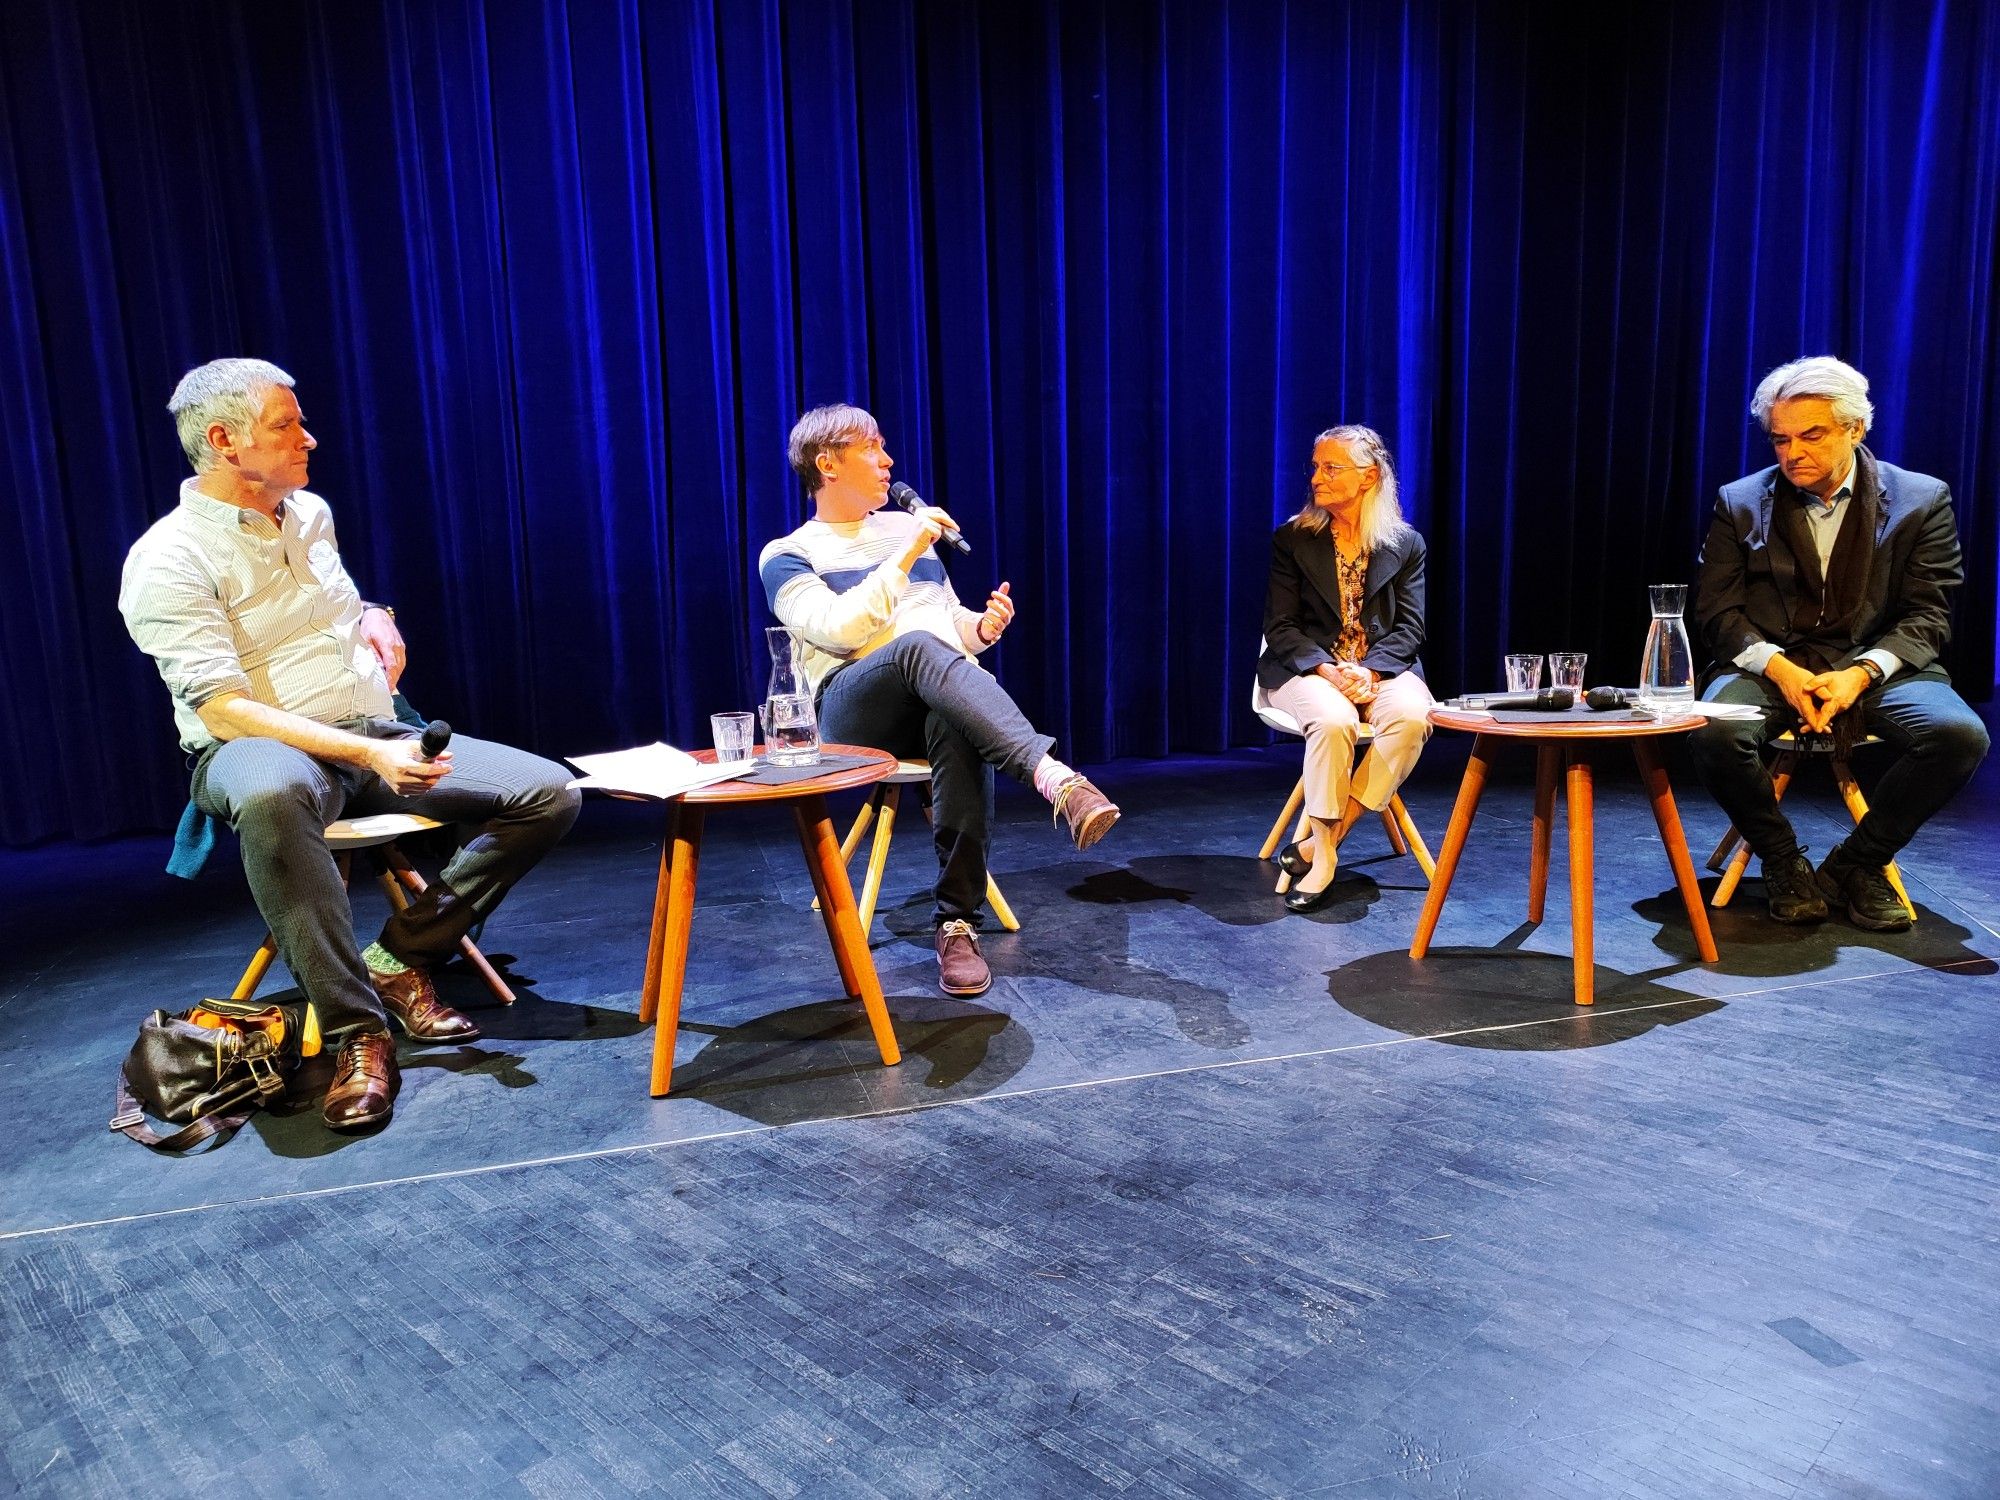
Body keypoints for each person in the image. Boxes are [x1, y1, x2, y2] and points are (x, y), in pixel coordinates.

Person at [119, 358, 580, 1130]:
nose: (309, 437)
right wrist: (367, 756)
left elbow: (315, 608)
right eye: (286, 425)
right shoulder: (166, 559)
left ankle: (398, 957)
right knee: (270, 793)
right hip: (263, 748)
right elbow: (225, 708)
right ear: (226, 440)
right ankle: (357, 1035)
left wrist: (373, 611)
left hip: (370, 726)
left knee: (550, 793)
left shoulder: (308, 513)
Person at [758, 404, 1118, 998]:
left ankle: (956, 924)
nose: (888, 460)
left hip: (929, 690)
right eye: (872, 447)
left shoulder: (908, 534)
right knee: (918, 648)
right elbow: (841, 630)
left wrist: (982, 628)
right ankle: (1054, 777)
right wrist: (907, 552)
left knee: (953, 719)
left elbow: (946, 622)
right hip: (852, 711)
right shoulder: (787, 554)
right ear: (828, 463)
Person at [1690, 356, 1988, 931]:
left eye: (1811, 435)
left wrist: (1862, 672)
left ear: (1856, 429)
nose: (1792, 452)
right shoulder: (1742, 501)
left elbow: (1929, 613)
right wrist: (1780, 669)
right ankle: (1782, 860)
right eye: (1780, 439)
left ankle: (1856, 863)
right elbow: (1718, 611)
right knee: (1716, 729)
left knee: (1957, 735)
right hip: (1771, 664)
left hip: (1880, 666)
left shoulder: (1920, 500)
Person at [1258, 425, 1434, 913]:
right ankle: (1325, 860)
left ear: (1368, 476)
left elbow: (1410, 629)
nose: (1317, 477)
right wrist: (1329, 670)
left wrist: (1372, 673)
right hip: (1306, 670)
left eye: (1331, 468)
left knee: (1413, 717)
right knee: (1334, 720)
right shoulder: (1294, 538)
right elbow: (1282, 626)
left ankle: (1320, 845)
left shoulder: (1405, 544)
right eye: (1315, 466)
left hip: (1380, 670)